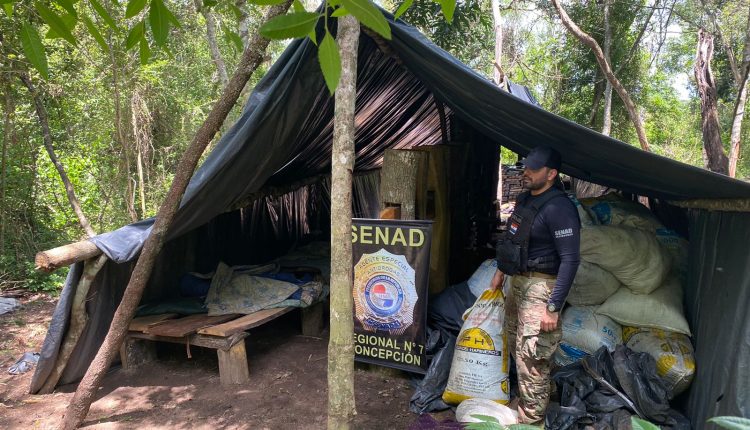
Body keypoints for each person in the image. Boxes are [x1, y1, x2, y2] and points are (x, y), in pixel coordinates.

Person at [490, 146, 581, 425]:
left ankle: (531, 420)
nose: (526, 172)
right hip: (518, 280)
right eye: (526, 166)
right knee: (517, 346)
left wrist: (553, 307)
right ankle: (536, 399)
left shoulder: (560, 208)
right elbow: (513, 240)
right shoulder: (525, 199)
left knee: (533, 355)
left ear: (551, 174)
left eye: (533, 168)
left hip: (542, 287)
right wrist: (501, 272)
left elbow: (570, 260)